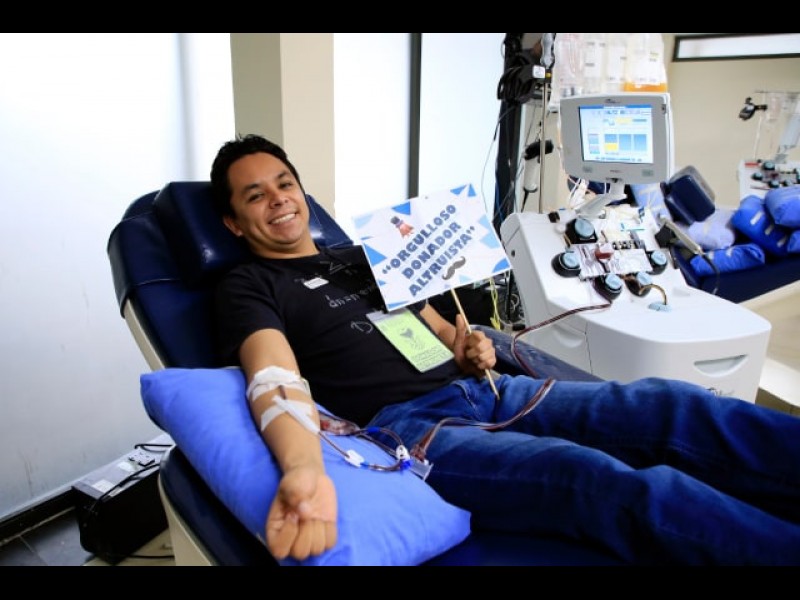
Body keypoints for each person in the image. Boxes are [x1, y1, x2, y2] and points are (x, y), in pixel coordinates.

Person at [210, 133, 800, 566]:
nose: (279, 200)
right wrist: (304, 470)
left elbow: (441, 334)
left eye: (284, 183)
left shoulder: (366, 256)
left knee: (670, 405)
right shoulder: (248, 286)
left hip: (490, 390)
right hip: (414, 429)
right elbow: (273, 377)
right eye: (255, 195)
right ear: (234, 223)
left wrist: (470, 349)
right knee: (600, 479)